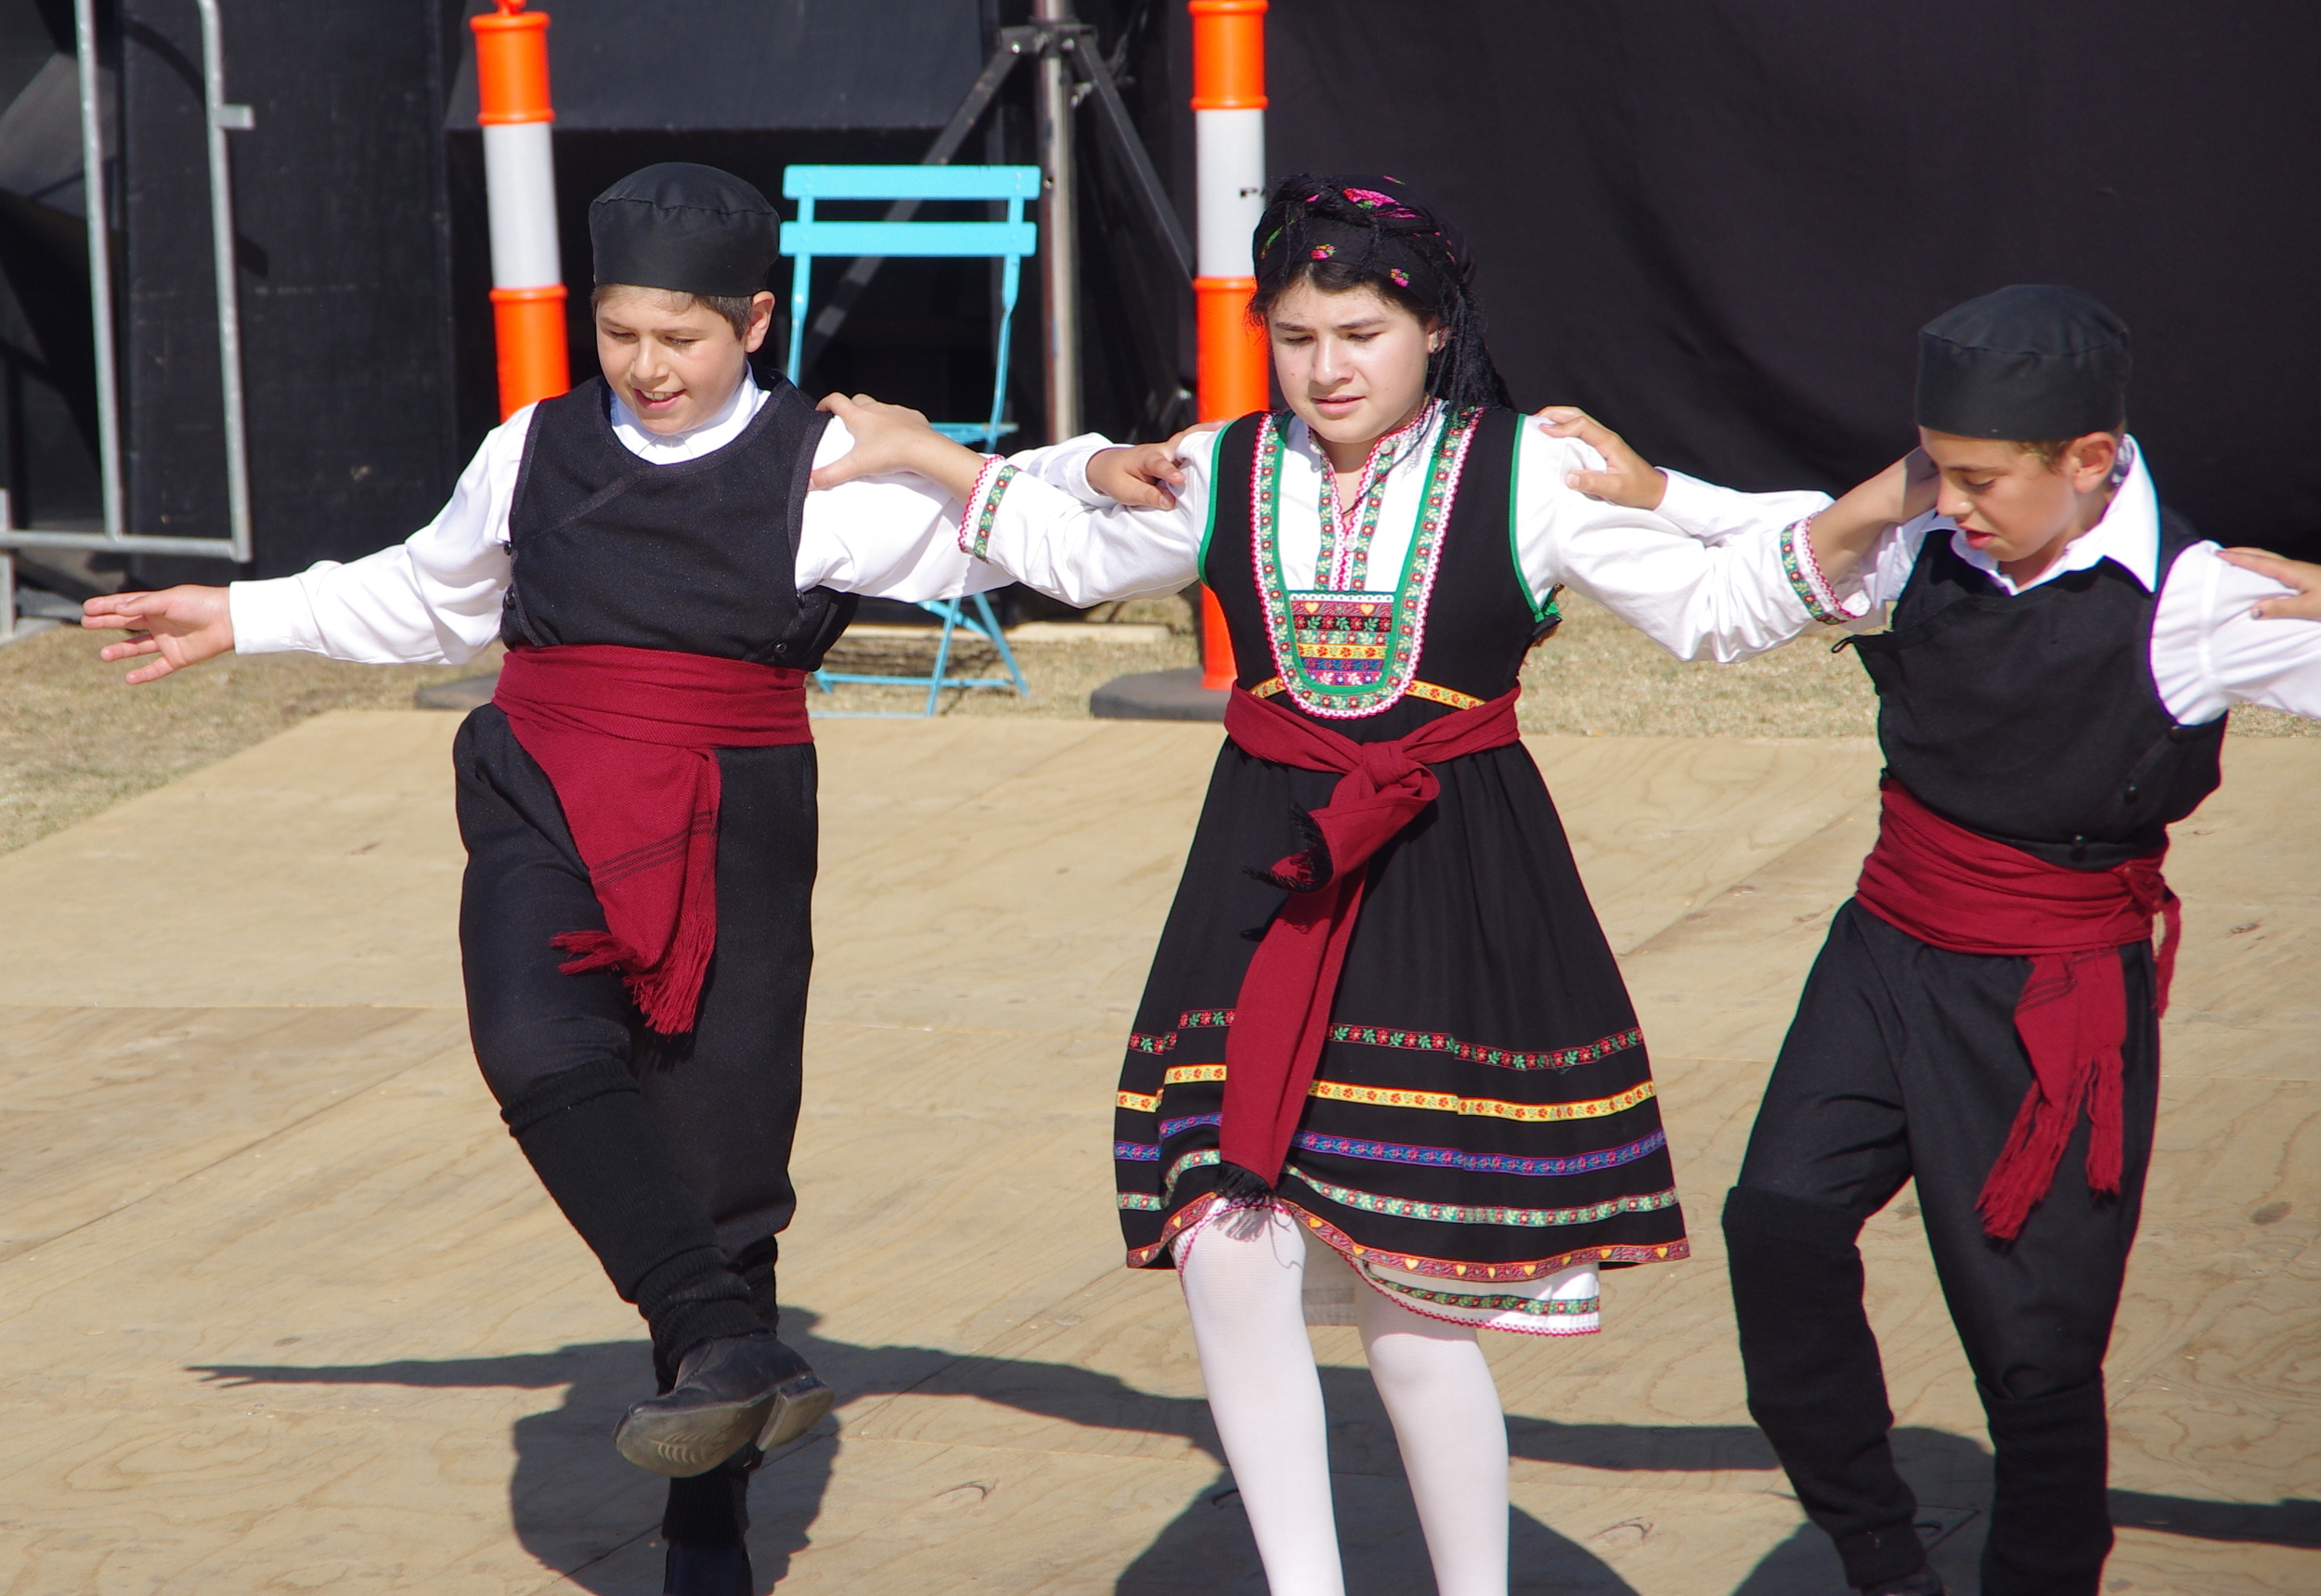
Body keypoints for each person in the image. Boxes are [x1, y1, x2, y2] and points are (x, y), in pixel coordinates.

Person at [809, 174, 1907, 1596]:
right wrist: (934, 455)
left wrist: (1888, 499)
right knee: (1229, 1245)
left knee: (1410, 1292)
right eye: (1299, 334)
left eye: (1362, 335)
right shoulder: (1224, 465)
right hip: (1261, 874)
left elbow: (1710, 611)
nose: (1326, 367)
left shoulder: (1526, 469)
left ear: (1435, 331)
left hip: (1448, 874)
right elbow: (1071, 557)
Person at [80, 163, 1011, 1596]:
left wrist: (976, 463)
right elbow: (431, 590)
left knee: (718, 1164)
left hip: (730, 818)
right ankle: (716, 1332)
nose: (647, 366)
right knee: (530, 1037)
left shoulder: (827, 472)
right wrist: (243, 612)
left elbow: (1054, 534)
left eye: (682, 338)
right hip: (541, 781)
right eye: (622, 332)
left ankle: (710, 1527)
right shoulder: (534, 446)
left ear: (755, 320)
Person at [1558, 284, 2321, 1596]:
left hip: (2051, 995)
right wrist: (1657, 489)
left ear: (2092, 462)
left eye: (1978, 479)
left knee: (2032, 1349)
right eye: (1935, 472)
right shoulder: (1929, 541)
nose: (1950, 503)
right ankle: (1879, 1558)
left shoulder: (2193, 603)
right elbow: (1790, 532)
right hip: (1889, 944)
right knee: (1780, 1226)